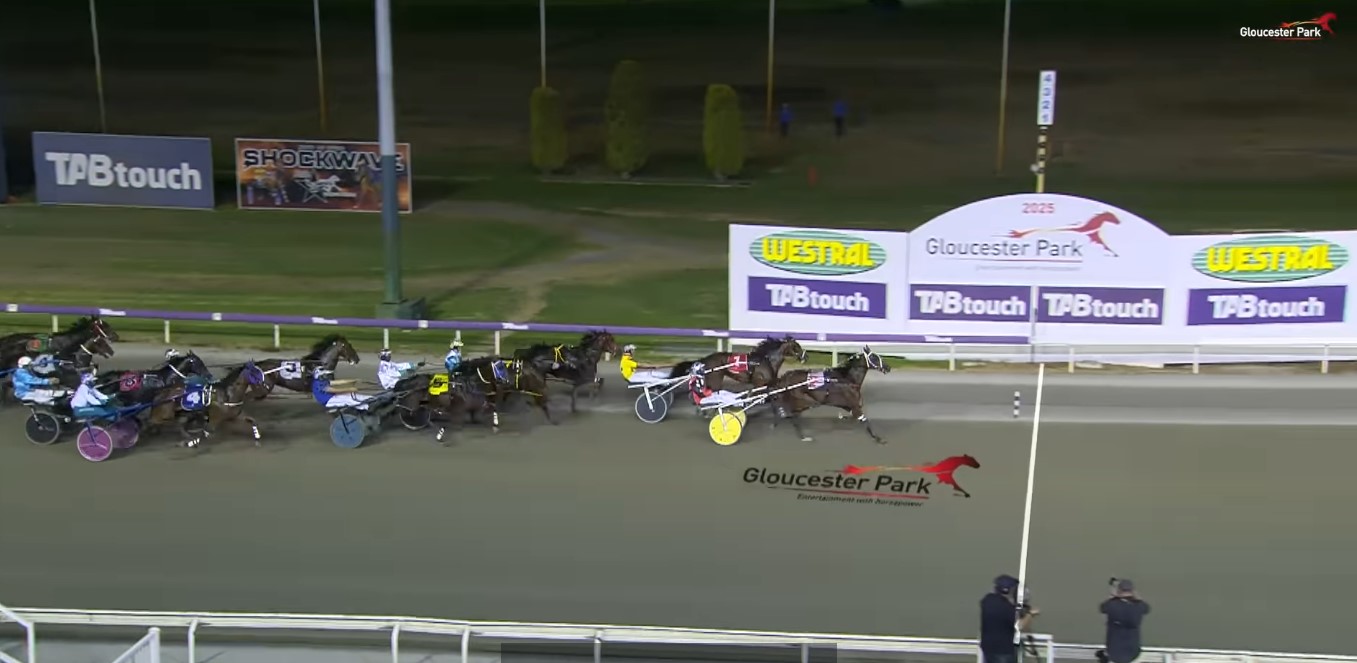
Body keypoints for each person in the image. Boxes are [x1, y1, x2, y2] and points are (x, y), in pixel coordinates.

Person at [979, 575, 1038, 663]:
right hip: (1004, 652)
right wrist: (1030, 614)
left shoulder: (987, 600)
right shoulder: (1006, 608)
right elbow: (1020, 626)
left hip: (988, 650)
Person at [1099, 579, 1150, 663]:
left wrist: (1113, 596)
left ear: (1119, 590)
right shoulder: (1140, 606)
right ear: (1132, 591)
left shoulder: (1111, 605)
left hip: (1114, 652)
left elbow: (1102, 608)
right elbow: (1147, 608)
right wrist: (1136, 597)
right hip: (1132, 653)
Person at [311, 367, 377, 410]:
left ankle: (370, 399)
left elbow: (340, 382)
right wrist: (350, 389)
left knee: (352, 395)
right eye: (324, 375)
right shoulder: (318, 384)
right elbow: (335, 390)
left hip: (332, 397)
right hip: (328, 401)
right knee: (349, 399)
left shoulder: (322, 381)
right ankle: (367, 408)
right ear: (319, 376)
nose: (326, 376)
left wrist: (354, 380)